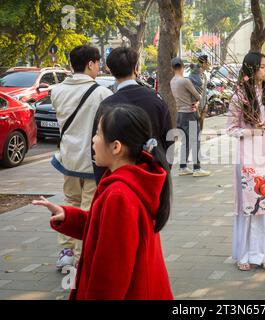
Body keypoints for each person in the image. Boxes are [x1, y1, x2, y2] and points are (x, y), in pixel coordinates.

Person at [34, 105, 173, 300]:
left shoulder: (119, 195)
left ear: (116, 147)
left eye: (98, 134)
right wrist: (69, 216)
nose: (93, 140)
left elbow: (110, 274)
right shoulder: (133, 180)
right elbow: (104, 231)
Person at [50, 45, 113, 270]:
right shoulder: (103, 93)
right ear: (90, 64)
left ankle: (65, 251)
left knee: (68, 203)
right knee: (88, 210)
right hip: (92, 162)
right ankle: (80, 257)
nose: (99, 67)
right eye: (97, 63)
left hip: (68, 161)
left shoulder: (56, 91)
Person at [226, 52, 265, 271]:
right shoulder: (239, 96)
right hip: (248, 158)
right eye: (262, 67)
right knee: (248, 207)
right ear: (251, 69)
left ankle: (264, 254)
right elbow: (231, 129)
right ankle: (244, 254)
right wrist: (252, 131)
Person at [93, 47, 173, 183]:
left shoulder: (106, 105)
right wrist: (163, 172)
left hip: (119, 180)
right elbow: (169, 140)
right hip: (152, 176)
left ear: (110, 70)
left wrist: (103, 183)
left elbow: (99, 148)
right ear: (136, 68)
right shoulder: (156, 99)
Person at [170, 57, 211, 177]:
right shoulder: (185, 81)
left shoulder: (172, 81)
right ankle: (197, 168)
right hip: (189, 113)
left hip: (180, 114)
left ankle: (183, 167)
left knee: (185, 141)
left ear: (172, 68)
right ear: (183, 67)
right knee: (195, 140)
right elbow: (198, 96)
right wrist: (197, 101)